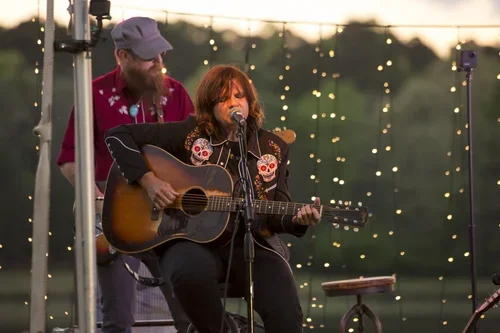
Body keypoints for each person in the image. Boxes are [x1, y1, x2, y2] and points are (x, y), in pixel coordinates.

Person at [103, 64, 322, 333]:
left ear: (250, 102)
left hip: (251, 244)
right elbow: (117, 136)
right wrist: (150, 181)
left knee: (286, 316)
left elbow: (278, 213)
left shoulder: (273, 148)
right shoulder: (190, 133)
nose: (233, 103)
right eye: (223, 98)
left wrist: (300, 219)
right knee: (187, 273)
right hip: (190, 240)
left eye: (239, 96)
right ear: (210, 106)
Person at [56, 16, 193, 333]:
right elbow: (70, 157)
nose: (158, 62)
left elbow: (194, 152)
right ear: (122, 56)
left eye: (160, 53)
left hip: (168, 214)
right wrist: (96, 199)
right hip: (113, 212)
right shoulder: (94, 93)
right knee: (117, 319)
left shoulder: (176, 93)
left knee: (190, 313)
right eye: (148, 56)